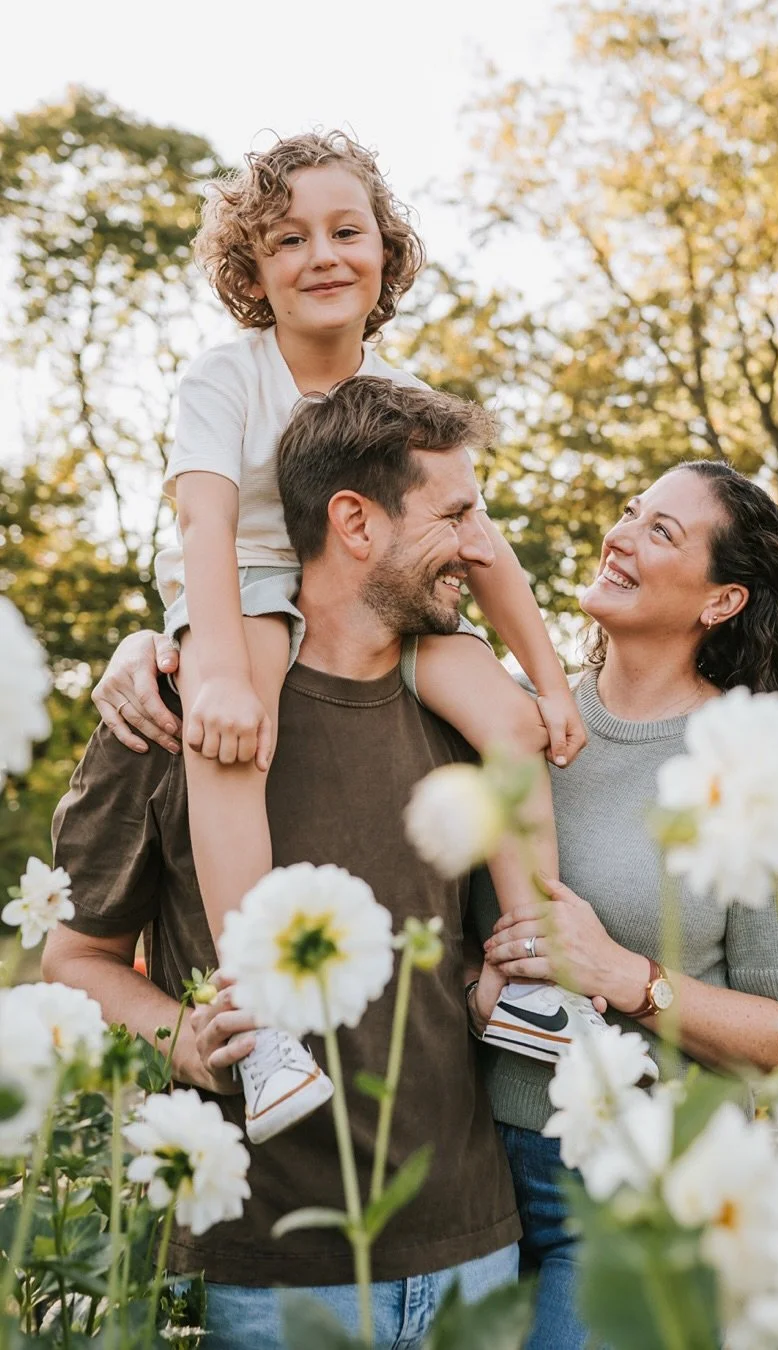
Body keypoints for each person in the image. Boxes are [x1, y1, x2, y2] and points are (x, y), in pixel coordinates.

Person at [43, 379, 526, 1350]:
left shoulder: (471, 717)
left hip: (477, 1251)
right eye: (457, 514)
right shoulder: (169, 714)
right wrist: (176, 1034)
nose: (480, 546)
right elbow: (75, 960)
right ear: (354, 521)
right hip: (270, 1279)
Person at [148, 130, 591, 1140]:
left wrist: (549, 678)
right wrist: (214, 670)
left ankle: (532, 974)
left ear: (386, 252)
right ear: (253, 271)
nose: (323, 256)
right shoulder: (227, 378)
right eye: (289, 239)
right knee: (235, 735)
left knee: (507, 720)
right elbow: (205, 522)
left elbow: (476, 540)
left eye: (348, 231)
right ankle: (258, 1022)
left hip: (376, 586)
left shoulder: (399, 398)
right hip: (250, 580)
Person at [463, 461, 778, 1350]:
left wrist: (628, 978)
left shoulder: (760, 770)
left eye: (662, 531)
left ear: (721, 601)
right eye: (630, 513)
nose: (622, 535)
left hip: (630, 1196)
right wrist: (156, 650)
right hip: (464, 1174)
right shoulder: (510, 718)